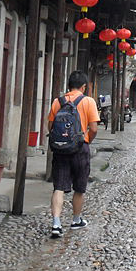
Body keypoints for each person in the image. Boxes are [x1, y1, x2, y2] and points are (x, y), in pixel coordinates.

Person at [48, 70, 100, 238]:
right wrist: (86, 141)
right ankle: (76, 219)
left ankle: (56, 223)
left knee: (59, 187)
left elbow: (50, 127)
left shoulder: (58, 102)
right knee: (79, 187)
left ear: (68, 85)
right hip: (80, 148)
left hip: (61, 149)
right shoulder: (88, 102)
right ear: (84, 87)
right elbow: (93, 128)